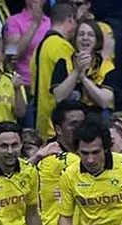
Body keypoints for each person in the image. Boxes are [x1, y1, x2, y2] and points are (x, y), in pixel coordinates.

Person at [37, 100, 85, 225]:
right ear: (58, 129)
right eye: (73, 124)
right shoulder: (59, 159)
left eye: (83, 123)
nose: (80, 129)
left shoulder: (78, 156)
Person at [30, 3, 77, 140]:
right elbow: (68, 86)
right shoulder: (62, 46)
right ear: (70, 19)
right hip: (56, 124)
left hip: (41, 122)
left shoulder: (40, 46)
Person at [4, 0, 52, 128]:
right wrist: (34, 24)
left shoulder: (50, 22)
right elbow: (14, 53)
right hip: (24, 87)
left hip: (48, 88)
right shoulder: (13, 21)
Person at [51, 19, 116, 113]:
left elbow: (104, 102)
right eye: (81, 34)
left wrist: (83, 78)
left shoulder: (106, 66)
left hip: (96, 119)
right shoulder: (63, 62)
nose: (85, 38)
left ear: (97, 40)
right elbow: (59, 97)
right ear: (75, 39)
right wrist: (76, 72)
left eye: (90, 35)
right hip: (69, 118)